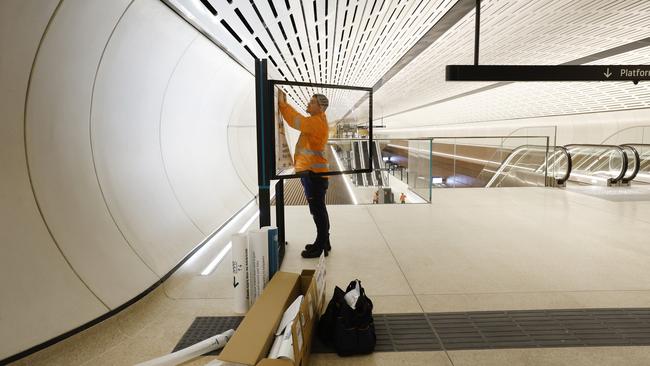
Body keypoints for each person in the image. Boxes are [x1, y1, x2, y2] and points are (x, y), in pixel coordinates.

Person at [278, 90, 331, 258]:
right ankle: (324, 242)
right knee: (320, 210)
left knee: (317, 211)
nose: (308, 104)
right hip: (314, 174)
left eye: (312, 102)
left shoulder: (316, 122)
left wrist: (283, 104)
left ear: (321, 107)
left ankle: (320, 246)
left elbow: (296, 120)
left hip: (313, 175)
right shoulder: (318, 121)